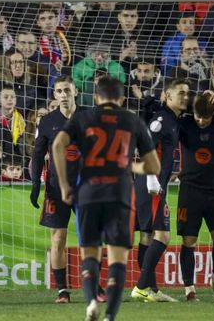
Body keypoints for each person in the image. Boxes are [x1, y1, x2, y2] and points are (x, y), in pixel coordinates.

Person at [52, 75, 160, 321]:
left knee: (90, 253)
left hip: (88, 193)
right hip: (119, 194)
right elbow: (153, 166)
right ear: (121, 99)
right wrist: (128, 166)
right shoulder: (132, 120)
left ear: (96, 97)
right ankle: (110, 315)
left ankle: (90, 303)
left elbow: (58, 144)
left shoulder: (83, 117)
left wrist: (64, 185)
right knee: (117, 258)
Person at [131, 78, 190, 303]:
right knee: (163, 235)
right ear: (167, 96)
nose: (185, 97)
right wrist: (151, 180)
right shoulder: (161, 120)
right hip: (150, 185)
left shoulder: (172, 119)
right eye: (180, 93)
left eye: (187, 93)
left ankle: (151, 290)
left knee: (147, 236)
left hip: (155, 184)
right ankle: (141, 286)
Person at [29, 76, 83, 303]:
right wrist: (35, 183)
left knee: (90, 239)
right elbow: (38, 153)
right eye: (59, 91)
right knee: (58, 238)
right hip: (55, 187)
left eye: (67, 90)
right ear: (54, 94)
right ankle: (62, 290)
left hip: (85, 186)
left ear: (76, 92)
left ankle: (94, 285)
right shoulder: (47, 121)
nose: (63, 95)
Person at [177, 92, 214, 302]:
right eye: (197, 116)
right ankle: (189, 288)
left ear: (212, 115)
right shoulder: (186, 123)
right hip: (190, 190)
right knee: (189, 240)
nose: (200, 120)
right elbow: (175, 107)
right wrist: (193, 103)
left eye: (204, 118)